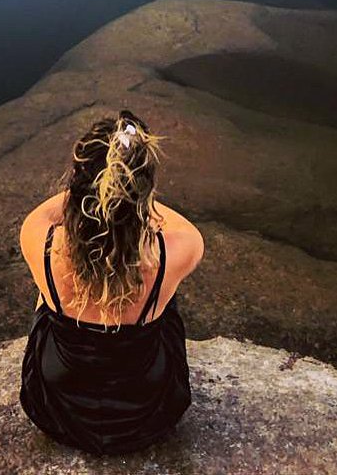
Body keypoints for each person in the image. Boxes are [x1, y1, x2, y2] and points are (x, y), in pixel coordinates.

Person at [18, 108, 205, 455]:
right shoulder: (181, 249)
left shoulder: (39, 239)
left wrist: (88, 194)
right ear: (143, 195)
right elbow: (181, 228)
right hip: (148, 416)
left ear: (76, 184)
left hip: (58, 413)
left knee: (46, 295)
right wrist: (130, 198)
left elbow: (44, 213)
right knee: (164, 288)